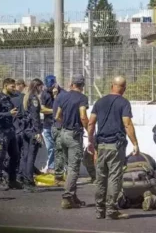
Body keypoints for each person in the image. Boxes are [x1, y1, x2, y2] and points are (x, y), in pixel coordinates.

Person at [88, 76, 139, 220]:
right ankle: (111, 210)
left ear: (112, 85)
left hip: (101, 146)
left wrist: (91, 142)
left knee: (101, 178)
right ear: (124, 88)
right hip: (115, 146)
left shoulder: (99, 102)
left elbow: (91, 123)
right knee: (114, 178)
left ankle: (99, 210)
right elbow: (127, 123)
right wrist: (135, 143)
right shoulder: (124, 103)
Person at [56, 74, 89, 209]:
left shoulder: (63, 96)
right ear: (82, 85)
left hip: (63, 133)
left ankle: (73, 196)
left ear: (72, 84)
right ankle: (67, 197)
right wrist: (89, 130)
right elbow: (83, 116)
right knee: (73, 168)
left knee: (69, 166)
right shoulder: (82, 98)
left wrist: (66, 124)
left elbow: (58, 116)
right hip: (74, 135)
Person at [0, 78, 22, 191]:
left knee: (15, 155)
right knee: (0, 157)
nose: (14, 88)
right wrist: (9, 113)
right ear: (5, 85)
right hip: (1, 133)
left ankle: (12, 180)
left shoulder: (10, 99)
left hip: (11, 131)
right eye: (12, 86)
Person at [21, 78, 44, 192]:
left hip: (26, 130)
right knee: (31, 156)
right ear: (37, 86)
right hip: (32, 131)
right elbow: (35, 117)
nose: (42, 89)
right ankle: (29, 181)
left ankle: (25, 180)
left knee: (26, 156)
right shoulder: (34, 98)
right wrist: (38, 132)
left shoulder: (26, 96)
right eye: (41, 87)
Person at [51, 83, 67, 186]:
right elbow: (59, 115)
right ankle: (59, 177)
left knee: (59, 152)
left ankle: (59, 176)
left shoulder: (60, 97)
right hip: (60, 127)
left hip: (57, 126)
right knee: (60, 152)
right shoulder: (65, 96)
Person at [40, 75, 57, 174]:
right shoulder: (44, 94)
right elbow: (42, 109)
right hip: (47, 124)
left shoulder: (61, 93)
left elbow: (63, 108)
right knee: (51, 147)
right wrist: (54, 111)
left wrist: (56, 96)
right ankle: (51, 167)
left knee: (59, 148)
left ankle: (59, 167)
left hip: (58, 124)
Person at [11, 79, 26, 184]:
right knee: (22, 154)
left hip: (11, 129)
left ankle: (10, 176)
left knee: (11, 154)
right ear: (18, 85)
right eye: (23, 85)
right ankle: (19, 176)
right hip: (21, 128)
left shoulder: (8, 98)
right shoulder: (23, 97)